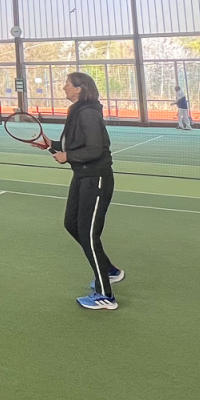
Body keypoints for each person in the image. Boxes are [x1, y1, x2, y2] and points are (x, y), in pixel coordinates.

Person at [48, 71, 124, 311]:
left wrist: (68, 156)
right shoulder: (78, 110)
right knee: (71, 224)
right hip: (82, 176)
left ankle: (106, 296)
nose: (64, 88)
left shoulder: (89, 112)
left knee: (89, 235)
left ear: (79, 89)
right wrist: (50, 146)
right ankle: (109, 270)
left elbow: (94, 149)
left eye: (67, 84)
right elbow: (75, 144)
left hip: (96, 178)